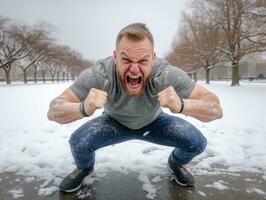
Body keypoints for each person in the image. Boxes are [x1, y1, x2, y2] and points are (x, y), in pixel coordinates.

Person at [47, 23, 223, 193]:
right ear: (115, 57)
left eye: (143, 61)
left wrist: (183, 105)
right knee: (78, 143)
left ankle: (175, 164)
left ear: (153, 58)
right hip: (113, 122)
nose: (134, 69)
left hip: (155, 122)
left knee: (196, 143)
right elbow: (54, 109)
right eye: (126, 60)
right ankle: (84, 168)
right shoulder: (99, 74)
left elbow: (215, 107)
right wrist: (83, 107)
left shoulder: (165, 74)